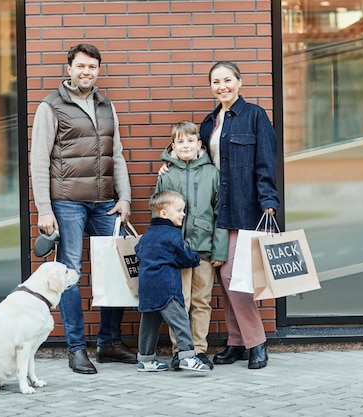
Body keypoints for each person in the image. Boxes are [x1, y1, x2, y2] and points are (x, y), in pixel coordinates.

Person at [30, 43, 137, 374]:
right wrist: (44, 209)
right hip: (67, 203)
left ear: (98, 70)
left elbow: (115, 154)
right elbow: (39, 160)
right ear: (69, 69)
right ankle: (76, 348)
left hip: (105, 202)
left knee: (117, 268)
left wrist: (125, 197)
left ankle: (109, 343)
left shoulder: (107, 105)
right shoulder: (50, 106)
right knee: (71, 274)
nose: (86, 71)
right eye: (80, 66)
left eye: (92, 66)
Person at [200, 61, 280, 370]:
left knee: (236, 277)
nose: (222, 86)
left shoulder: (255, 116)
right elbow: (195, 158)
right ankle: (237, 342)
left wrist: (268, 202)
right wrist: (169, 162)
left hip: (247, 209)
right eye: (216, 81)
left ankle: (257, 342)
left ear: (239, 82)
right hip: (218, 211)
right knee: (225, 277)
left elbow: (265, 163)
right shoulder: (209, 122)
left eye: (228, 80)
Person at [155, 121, 228, 370]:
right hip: (177, 251)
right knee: (180, 301)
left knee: (201, 301)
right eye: (179, 142)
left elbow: (220, 214)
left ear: (199, 145)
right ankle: (181, 350)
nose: (185, 146)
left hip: (204, 250)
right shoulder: (167, 175)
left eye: (189, 141)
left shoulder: (212, 173)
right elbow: (159, 213)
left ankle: (198, 349)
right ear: (173, 146)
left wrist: (219, 250)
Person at [134, 190, 211, 373]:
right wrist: (195, 258)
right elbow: (182, 256)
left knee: (149, 324)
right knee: (180, 321)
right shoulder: (172, 234)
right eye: (179, 210)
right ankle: (188, 356)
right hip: (167, 287)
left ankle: (145, 360)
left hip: (147, 286)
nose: (183, 214)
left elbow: (138, 251)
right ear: (164, 213)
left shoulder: (147, 235)